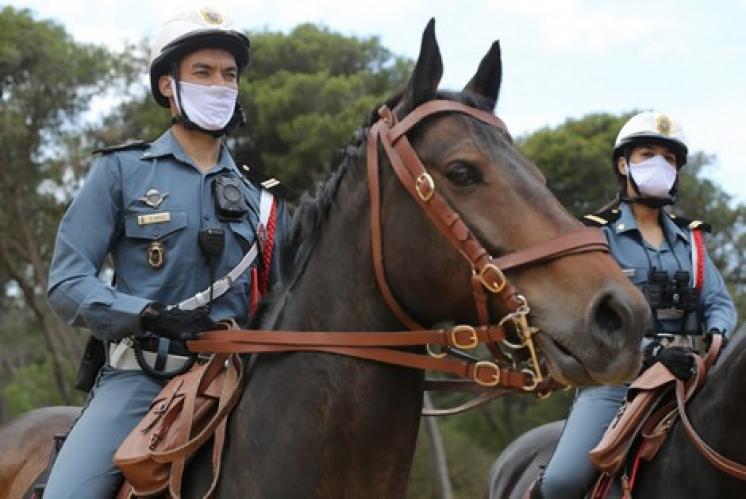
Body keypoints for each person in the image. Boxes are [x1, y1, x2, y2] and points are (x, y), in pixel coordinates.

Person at [44, 7, 290, 498]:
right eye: (203, 72)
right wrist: (148, 315)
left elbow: (284, 302)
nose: (219, 84)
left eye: (229, 74)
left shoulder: (263, 202)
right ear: (166, 84)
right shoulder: (121, 171)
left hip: (242, 383)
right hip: (143, 382)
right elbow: (67, 283)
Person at [533, 111, 737, 498]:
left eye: (670, 158)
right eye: (648, 154)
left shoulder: (692, 242)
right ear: (624, 164)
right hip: (618, 382)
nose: (660, 164)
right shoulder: (596, 235)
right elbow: (592, 320)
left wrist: (715, 339)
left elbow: (719, 303)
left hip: (691, 380)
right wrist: (652, 352)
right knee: (562, 484)